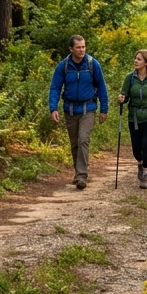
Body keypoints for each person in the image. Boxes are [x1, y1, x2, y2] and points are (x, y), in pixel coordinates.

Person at [49, 35, 109, 190]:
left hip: (88, 108)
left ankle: (82, 175)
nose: (82, 50)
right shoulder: (63, 66)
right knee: (75, 143)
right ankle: (78, 173)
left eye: (83, 47)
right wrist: (53, 108)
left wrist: (104, 109)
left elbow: (101, 86)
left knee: (83, 139)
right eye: (78, 47)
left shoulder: (92, 64)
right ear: (71, 49)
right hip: (69, 109)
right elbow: (55, 87)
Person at [117, 49, 147, 190]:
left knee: (146, 145)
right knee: (136, 149)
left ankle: (145, 174)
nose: (135, 61)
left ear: (146, 62)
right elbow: (124, 95)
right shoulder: (130, 78)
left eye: (139, 59)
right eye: (135, 58)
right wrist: (122, 98)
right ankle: (140, 162)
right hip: (134, 117)